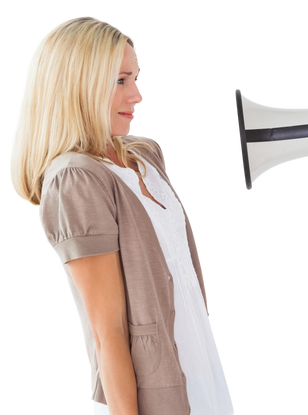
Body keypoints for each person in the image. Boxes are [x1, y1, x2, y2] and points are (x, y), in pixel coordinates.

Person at [7, 14, 236, 415]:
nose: (139, 96)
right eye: (121, 81)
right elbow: (106, 332)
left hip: (201, 372)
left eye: (138, 79)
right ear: (78, 85)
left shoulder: (145, 155)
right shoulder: (75, 178)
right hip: (147, 397)